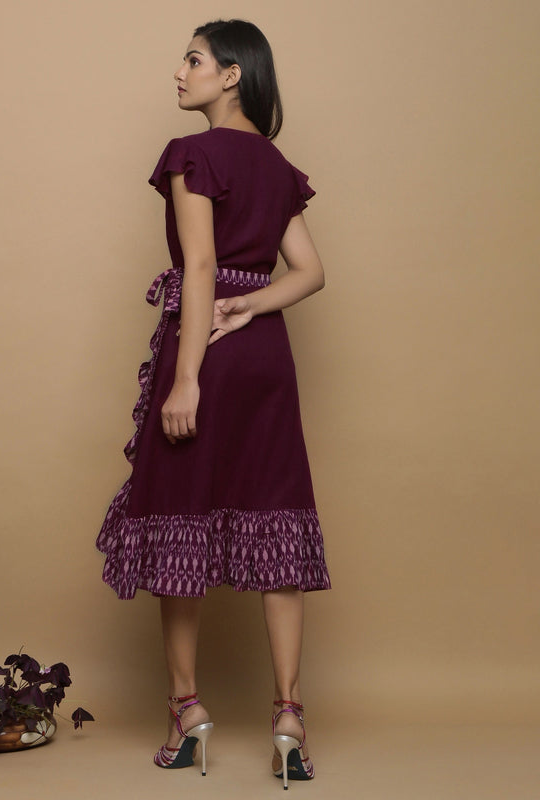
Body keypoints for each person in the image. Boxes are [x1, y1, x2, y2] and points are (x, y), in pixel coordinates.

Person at [96, 19, 330, 788]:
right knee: (275, 521)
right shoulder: (277, 165)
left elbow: (198, 266)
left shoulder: (190, 154)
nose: (179, 72)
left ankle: (187, 712)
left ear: (232, 75)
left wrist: (188, 375)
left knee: (178, 526)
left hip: (205, 350)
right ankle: (290, 716)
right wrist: (255, 305)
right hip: (265, 358)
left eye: (193, 60)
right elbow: (310, 273)